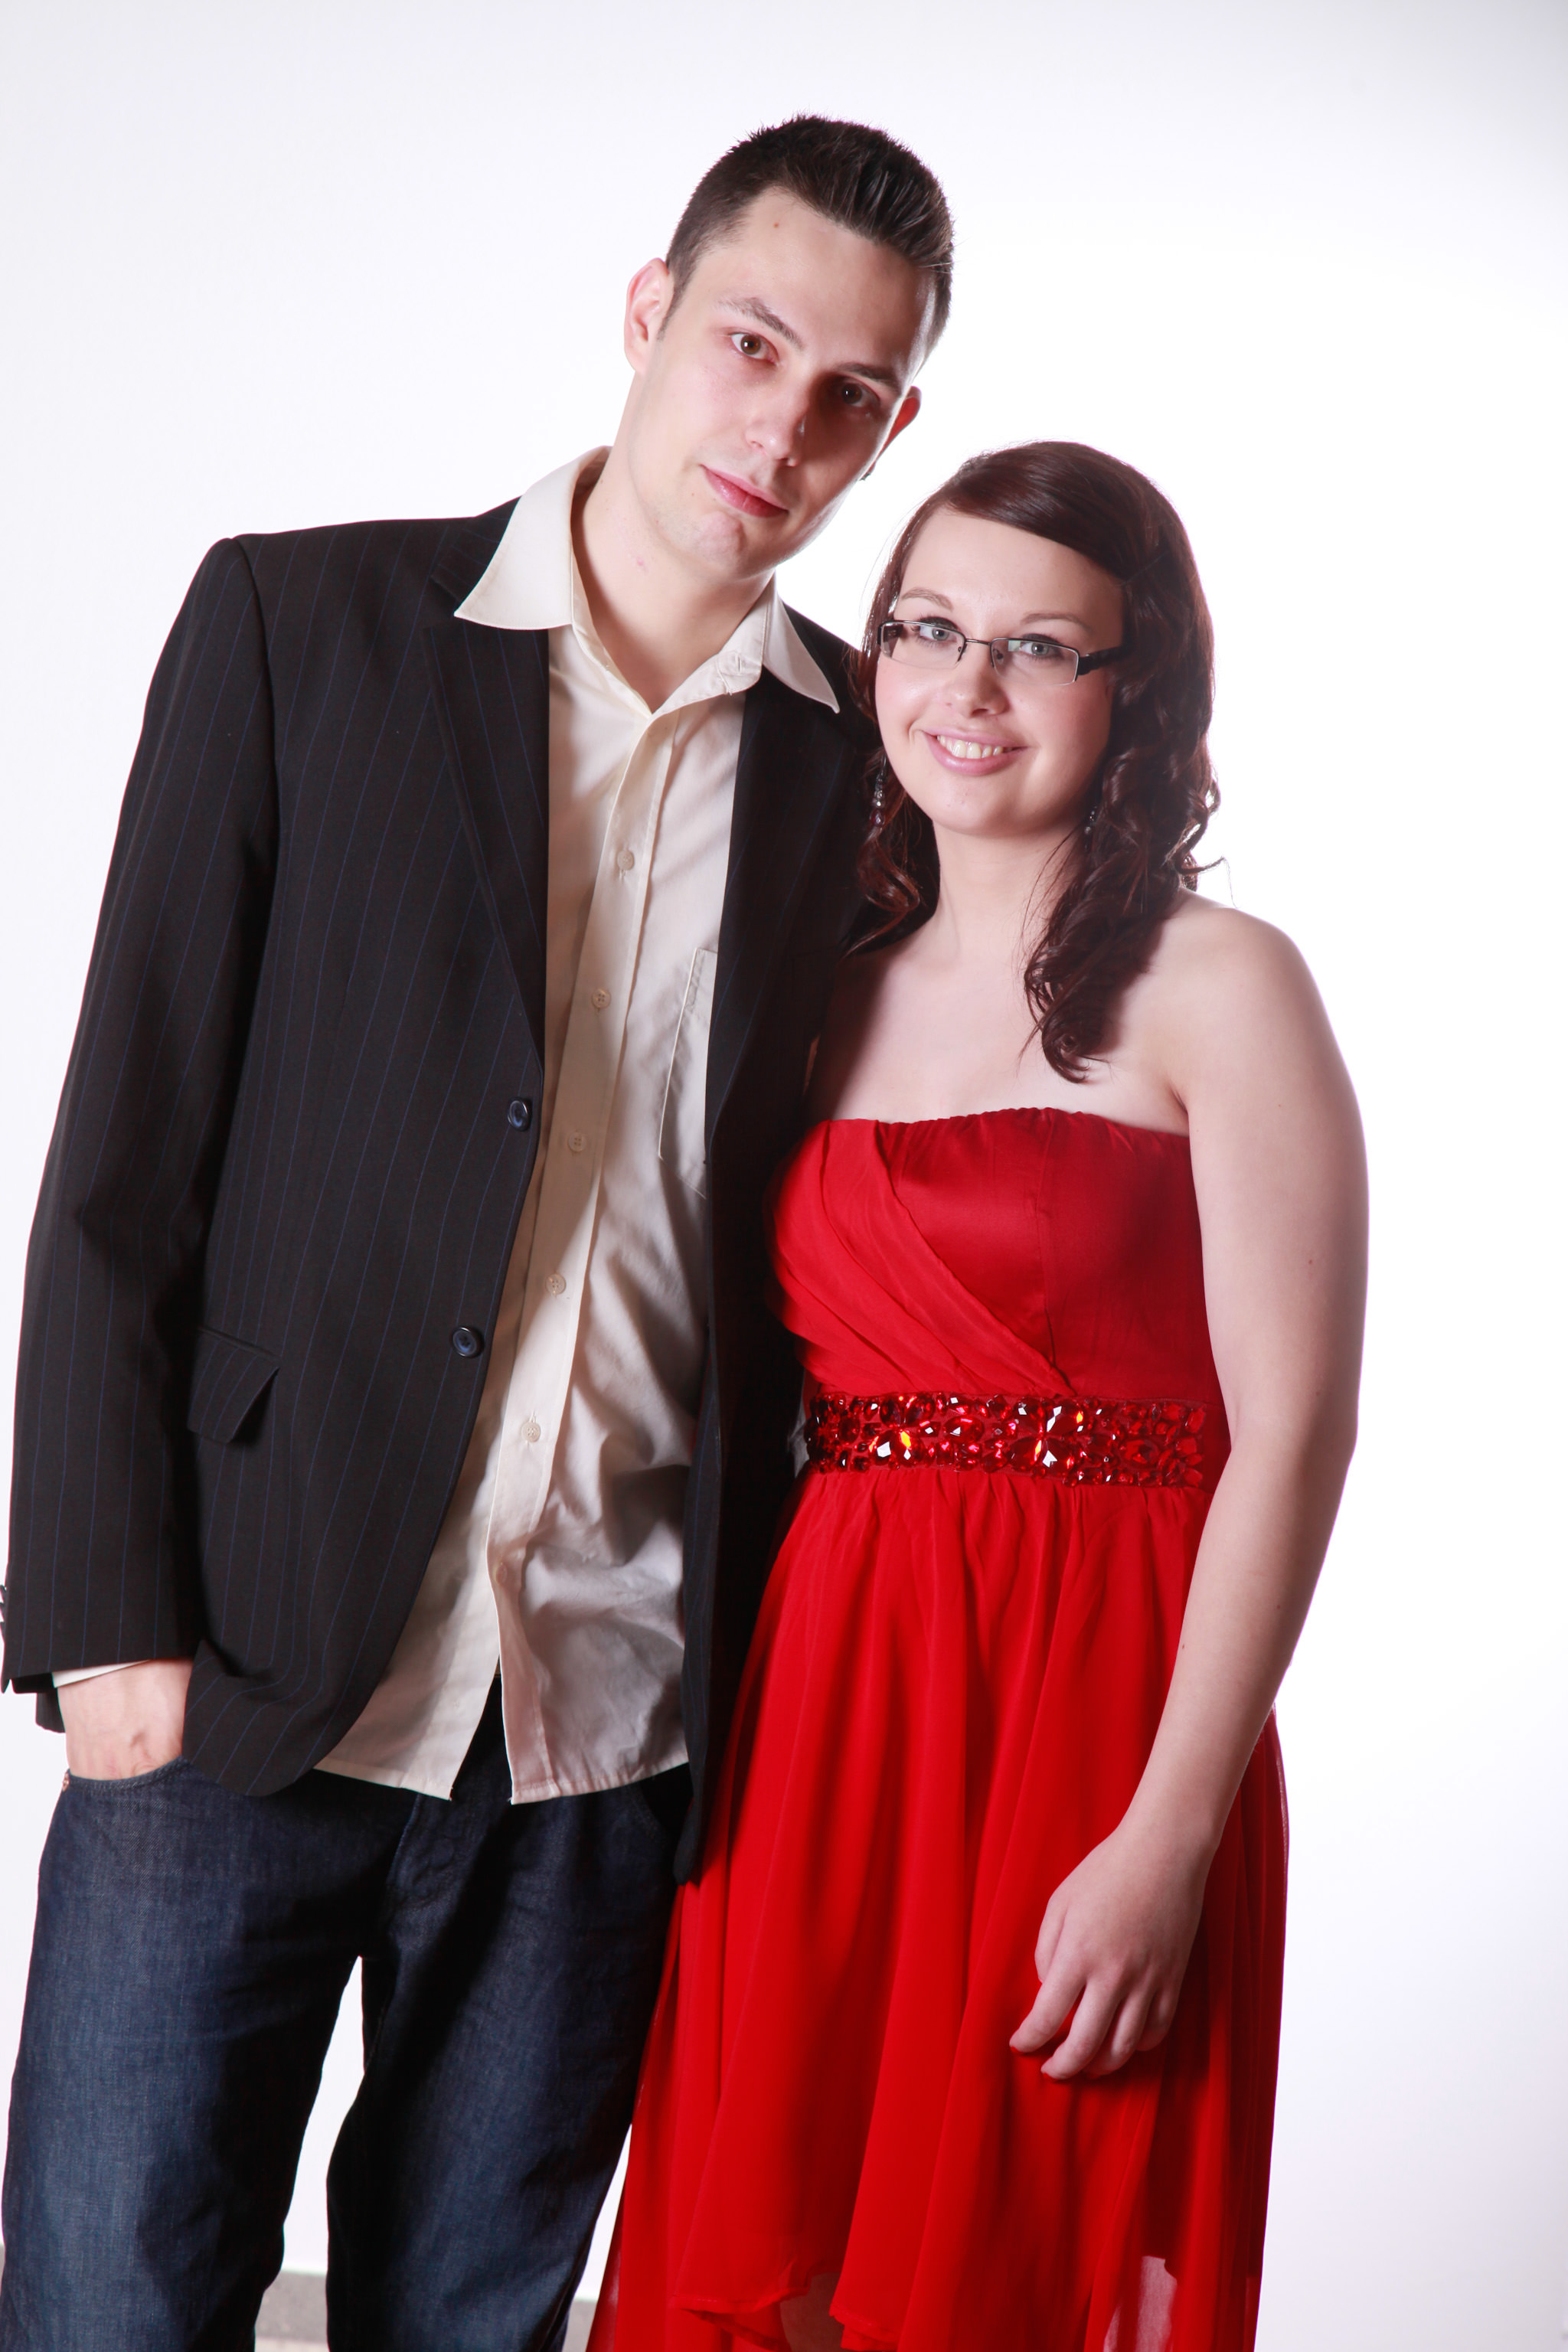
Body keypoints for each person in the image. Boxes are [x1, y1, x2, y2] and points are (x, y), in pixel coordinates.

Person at [0, 118, 952, 2352]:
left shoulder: (865, 778)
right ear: (649, 312)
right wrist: (99, 1620)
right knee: (109, 2308)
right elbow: (124, 1153)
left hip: (601, 1732)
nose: (785, 426)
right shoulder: (302, 625)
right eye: (751, 343)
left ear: (894, 432)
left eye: (851, 394)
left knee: (474, 2324)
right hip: (237, 1669)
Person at [590, 442, 1368, 2352]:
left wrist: (1168, 1836)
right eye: (930, 629)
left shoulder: (1219, 985)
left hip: (1100, 1710)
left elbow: (1293, 1435)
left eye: (1039, 647)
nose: (969, 688)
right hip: (829, 1704)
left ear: (1138, 689)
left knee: (1017, 2257)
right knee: (783, 2269)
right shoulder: (812, 987)